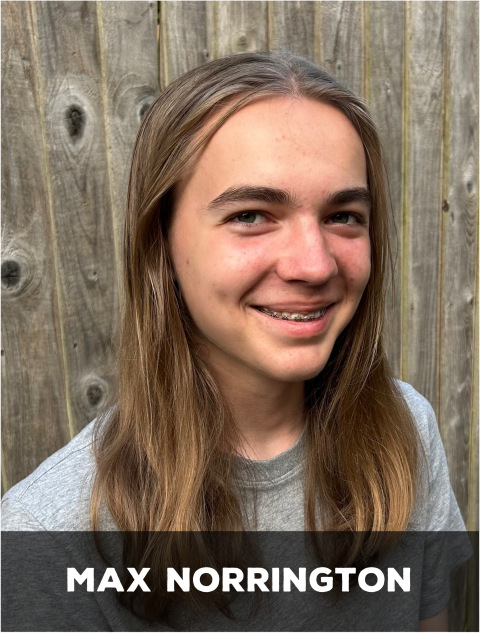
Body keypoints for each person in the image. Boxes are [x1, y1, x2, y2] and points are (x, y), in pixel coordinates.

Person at [2, 51, 473, 632]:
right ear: (161, 246)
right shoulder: (47, 542)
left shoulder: (405, 433)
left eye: (344, 216)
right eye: (251, 215)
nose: (314, 264)